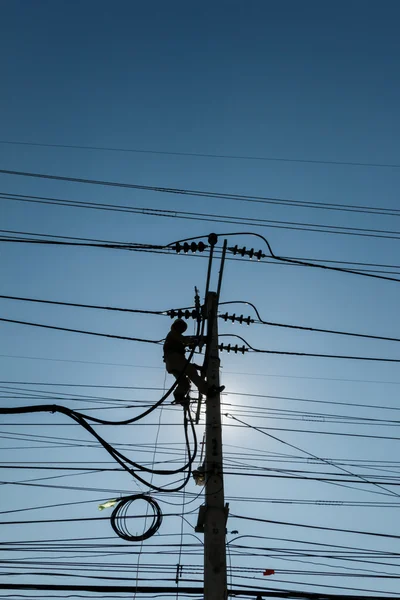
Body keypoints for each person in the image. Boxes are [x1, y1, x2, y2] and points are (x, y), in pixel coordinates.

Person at [163, 319, 224, 402]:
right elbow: (185, 340)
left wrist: (193, 342)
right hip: (175, 358)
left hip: (171, 364)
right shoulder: (173, 334)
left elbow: (184, 341)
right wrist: (195, 341)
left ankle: (179, 396)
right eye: (181, 327)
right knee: (191, 372)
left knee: (184, 383)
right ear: (176, 326)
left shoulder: (172, 337)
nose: (182, 329)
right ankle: (208, 391)